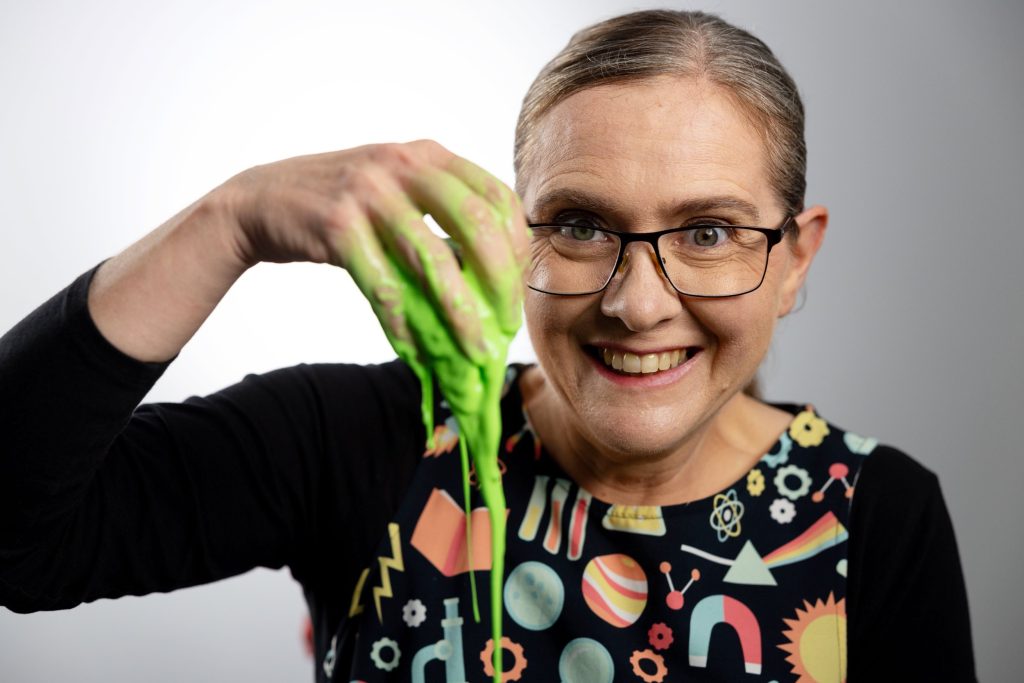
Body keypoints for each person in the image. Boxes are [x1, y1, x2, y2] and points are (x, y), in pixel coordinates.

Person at [0, 9, 976, 682]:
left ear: (795, 259)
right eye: (583, 224)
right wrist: (230, 220)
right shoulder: (369, 439)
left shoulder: (878, 514)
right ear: (514, 232)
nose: (637, 304)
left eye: (708, 232)